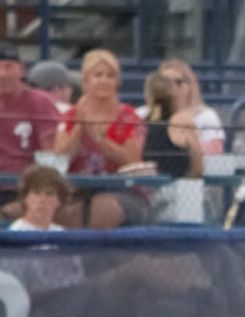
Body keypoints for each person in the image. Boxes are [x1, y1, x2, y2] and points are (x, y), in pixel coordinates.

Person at [53, 49, 146, 229]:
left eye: (110, 76)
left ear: (117, 82)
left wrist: (98, 135)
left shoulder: (130, 117)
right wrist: (80, 127)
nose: (104, 80)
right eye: (98, 75)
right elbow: (60, 159)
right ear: (86, 81)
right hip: (77, 190)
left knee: (101, 209)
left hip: (122, 191)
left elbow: (132, 161)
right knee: (57, 210)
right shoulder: (70, 116)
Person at [0, 42, 62, 177]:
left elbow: (51, 152)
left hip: (27, 185)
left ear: (21, 69)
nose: (2, 74)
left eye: (8, 67)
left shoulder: (40, 103)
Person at [156, 59, 225, 155]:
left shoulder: (207, 116)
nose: (172, 88)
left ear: (190, 85)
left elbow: (215, 153)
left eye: (178, 82)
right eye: (166, 82)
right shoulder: (143, 114)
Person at [142, 72, 203, 179]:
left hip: (150, 186)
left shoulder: (144, 123)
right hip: (179, 185)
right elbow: (198, 164)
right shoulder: (182, 121)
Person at [10, 164, 68, 231]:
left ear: (59, 200)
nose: (42, 200)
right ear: (25, 197)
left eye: (49, 193)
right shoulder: (16, 232)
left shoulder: (61, 233)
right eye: (36, 192)